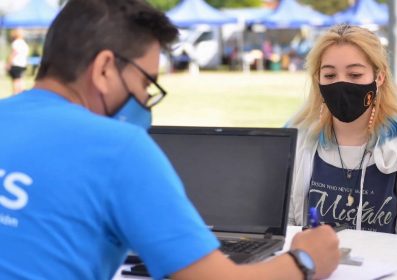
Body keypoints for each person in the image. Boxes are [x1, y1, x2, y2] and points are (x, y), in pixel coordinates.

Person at [0, 0, 339, 279]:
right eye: (146, 85)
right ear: (104, 69)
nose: (145, 102)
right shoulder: (119, 148)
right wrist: (305, 260)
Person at [288, 25, 397, 237]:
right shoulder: (298, 141)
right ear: (318, 80)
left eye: (355, 74)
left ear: (379, 78)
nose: (341, 84)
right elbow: (286, 222)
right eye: (330, 75)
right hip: (319, 269)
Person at [5, 28, 30, 95]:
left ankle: (15, 95)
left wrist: (8, 64)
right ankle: (21, 95)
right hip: (22, 64)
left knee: (16, 81)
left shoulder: (16, 43)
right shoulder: (24, 44)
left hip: (15, 64)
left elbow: (13, 54)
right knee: (20, 80)